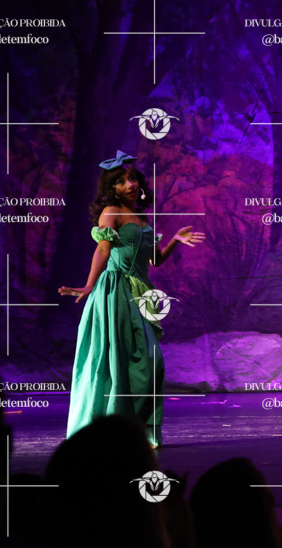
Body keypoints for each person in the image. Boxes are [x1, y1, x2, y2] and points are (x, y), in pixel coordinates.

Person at [59, 151, 206, 448]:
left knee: (150, 362)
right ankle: (109, 430)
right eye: (122, 181)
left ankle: (139, 430)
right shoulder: (111, 212)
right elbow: (103, 250)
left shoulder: (143, 219)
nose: (130, 184)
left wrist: (175, 240)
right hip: (114, 292)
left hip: (140, 295)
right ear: (112, 188)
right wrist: (89, 285)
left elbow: (155, 260)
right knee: (114, 361)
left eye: (133, 179)